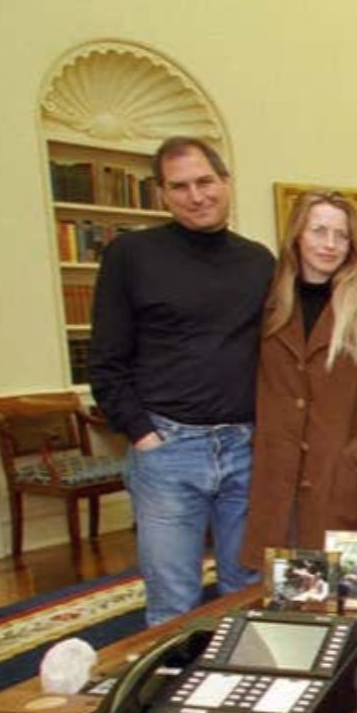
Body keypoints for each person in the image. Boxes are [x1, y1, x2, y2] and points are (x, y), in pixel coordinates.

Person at [88, 136, 273, 626]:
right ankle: (172, 694)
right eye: (181, 187)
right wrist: (143, 436)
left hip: (246, 449)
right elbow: (105, 358)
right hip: (168, 449)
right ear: (162, 195)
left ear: (226, 183)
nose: (196, 196)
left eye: (205, 182)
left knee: (249, 591)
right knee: (173, 599)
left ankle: (242, 693)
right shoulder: (131, 255)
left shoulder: (259, 262)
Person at [239, 193, 357, 572]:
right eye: (319, 231)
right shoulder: (268, 307)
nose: (330, 244)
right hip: (281, 493)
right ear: (297, 236)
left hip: (350, 490)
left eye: (342, 235)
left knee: (355, 615)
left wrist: (355, 463)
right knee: (288, 612)